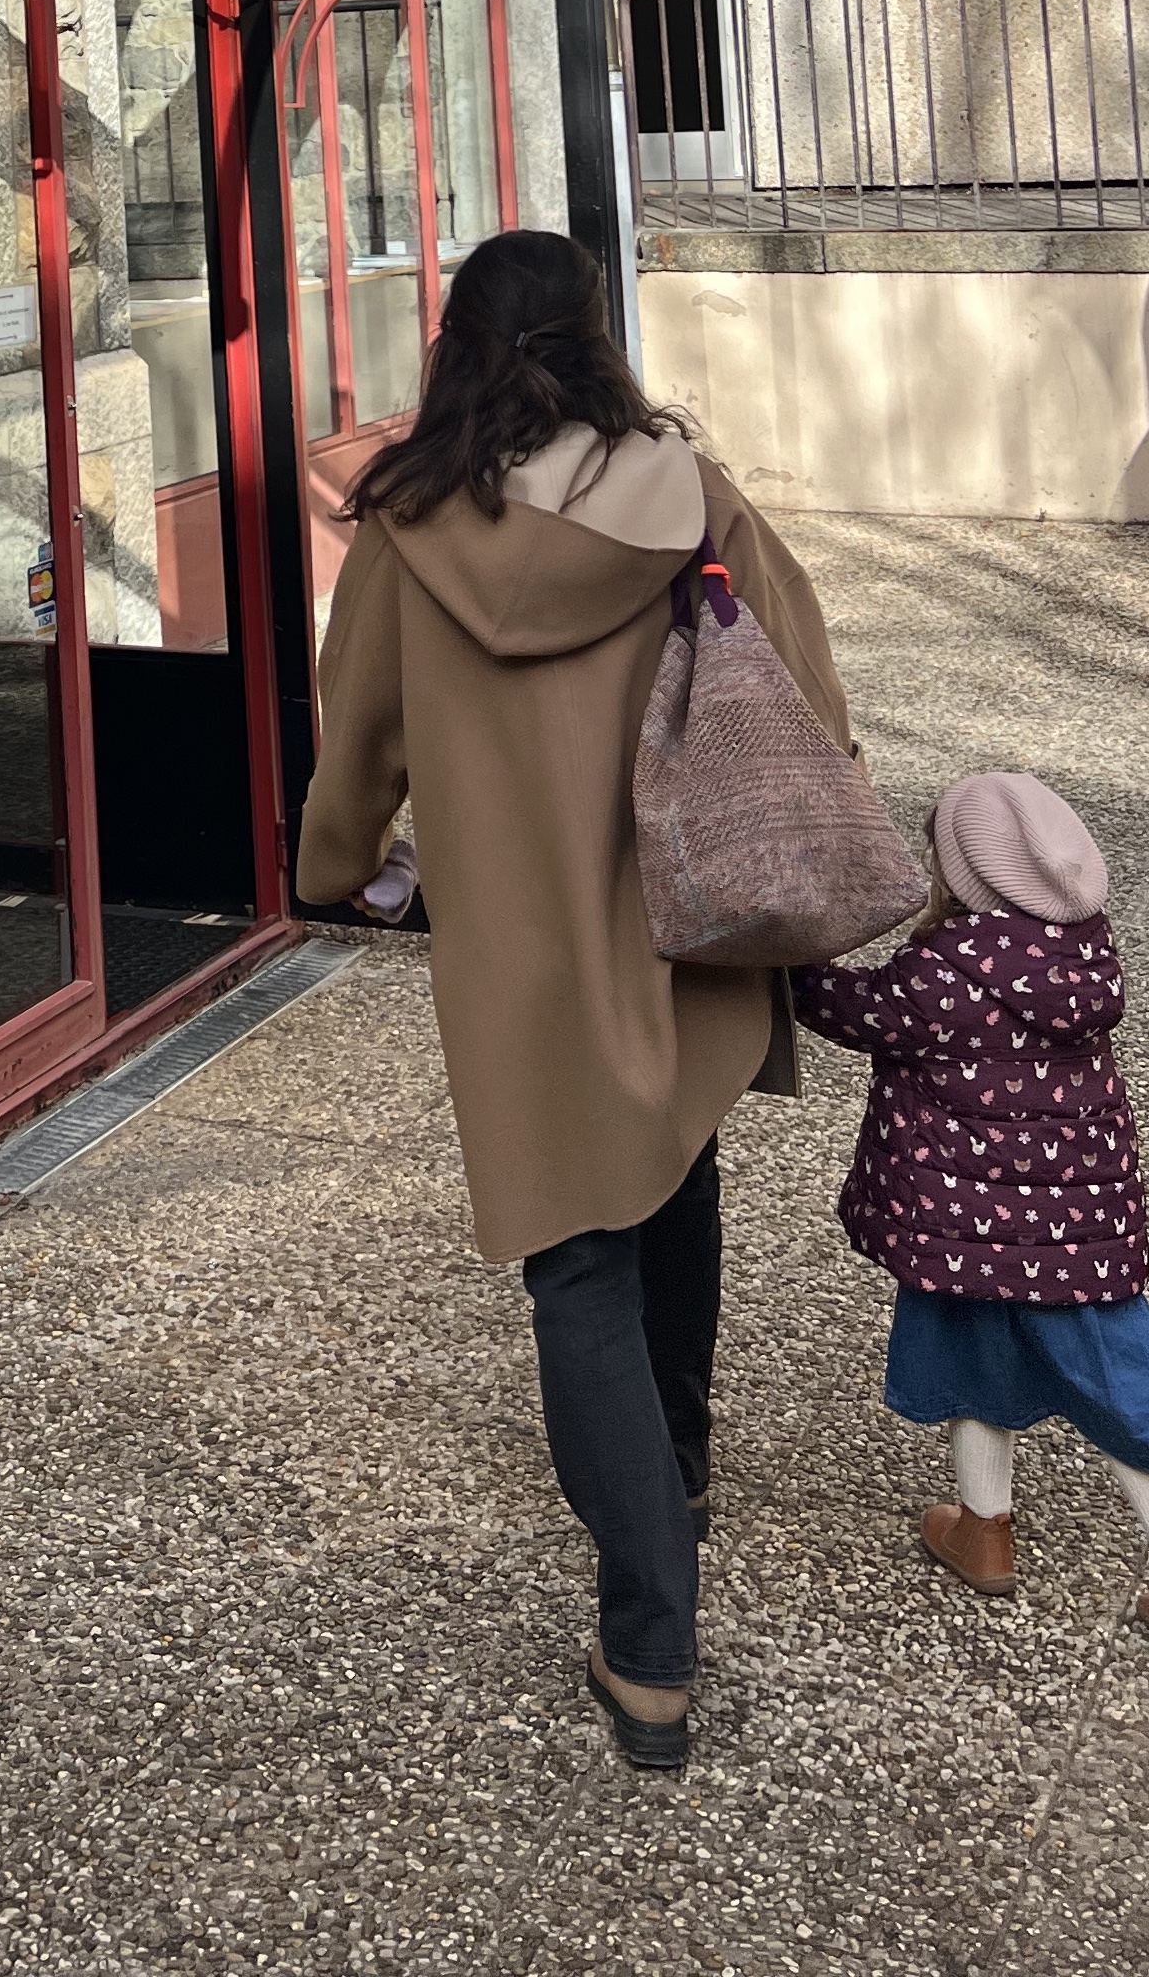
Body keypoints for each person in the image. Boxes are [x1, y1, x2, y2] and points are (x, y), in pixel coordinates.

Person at [293, 227, 853, 1777]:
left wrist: (343, 867)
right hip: (686, 922)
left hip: (525, 953)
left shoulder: (407, 528)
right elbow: (810, 695)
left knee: (578, 1258)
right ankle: (678, 1462)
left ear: (456, 346)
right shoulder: (692, 495)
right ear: (598, 338)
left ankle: (651, 1645)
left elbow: (355, 743)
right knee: (677, 1170)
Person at [790, 770, 1149, 1641]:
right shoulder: (1084, 956)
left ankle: (992, 1533)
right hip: (1076, 1231)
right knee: (1118, 1378)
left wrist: (789, 961)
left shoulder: (945, 968)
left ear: (962, 873)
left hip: (964, 1225)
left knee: (971, 1356)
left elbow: (857, 1012)